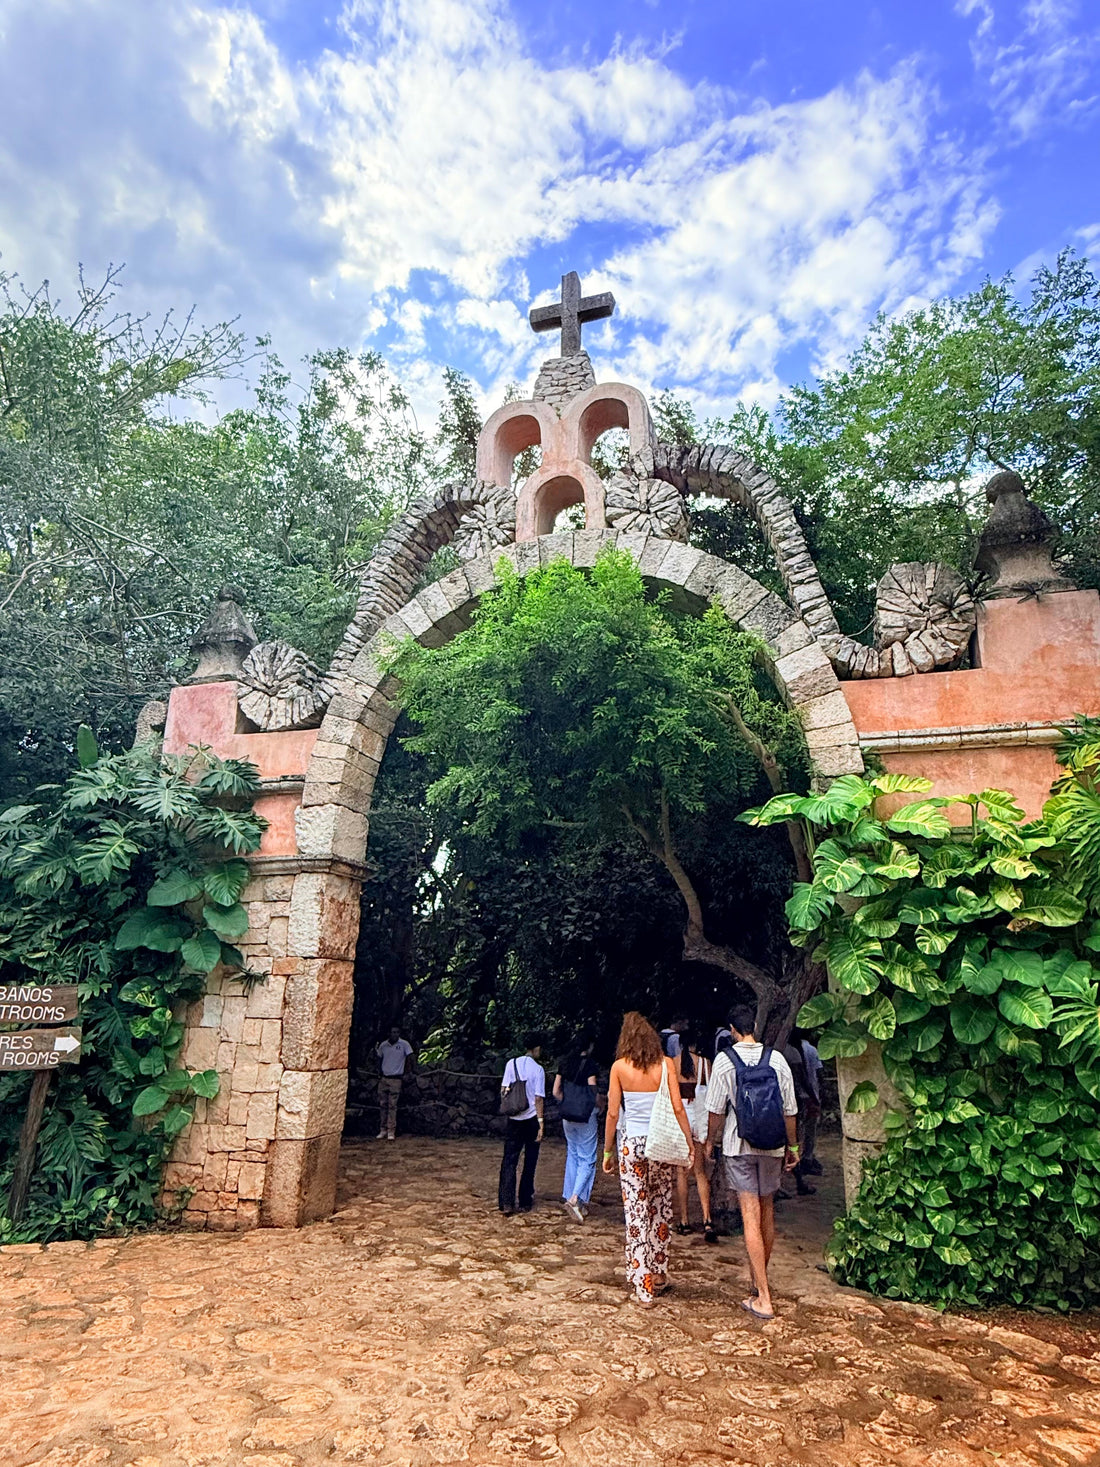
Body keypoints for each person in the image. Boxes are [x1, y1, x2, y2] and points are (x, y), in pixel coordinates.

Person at [705, 1005, 798, 1320]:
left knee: (750, 1216)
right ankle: (759, 1282)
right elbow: (790, 1109)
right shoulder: (776, 1059)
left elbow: (716, 1110)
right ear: (755, 1026)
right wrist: (793, 1146)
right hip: (772, 1145)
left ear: (732, 1030)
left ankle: (764, 1297)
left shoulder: (724, 1061)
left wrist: (709, 1141)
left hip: (739, 1143)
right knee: (767, 1211)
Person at [602, 1012, 695, 1307]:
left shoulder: (619, 1068)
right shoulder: (666, 1065)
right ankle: (658, 1273)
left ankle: (642, 1283)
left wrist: (607, 1151)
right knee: (659, 1207)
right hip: (660, 1144)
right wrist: (688, 1145)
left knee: (636, 1212)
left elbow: (614, 1113)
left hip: (631, 1146)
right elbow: (678, 1108)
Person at [675, 1032, 717, 1242]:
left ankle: (684, 1220)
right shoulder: (705, 1064)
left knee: (682, 1173)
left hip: (680, 1122)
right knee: (700, 1172)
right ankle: (707, 1218)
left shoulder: (672, 1064)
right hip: (699, 1122)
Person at [553, 1033, 599, 1223]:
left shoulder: (564, 1063)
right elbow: (592, 1090)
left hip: (567, 1116)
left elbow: (556, 1091)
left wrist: (566, 1103)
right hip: (585, 1116)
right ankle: (576, 1199)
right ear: (588, 1047)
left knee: (572, 1154)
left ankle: (569, 1194)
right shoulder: (590, 1065)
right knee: (588, 1158)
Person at [498, 1033, 546, 1215]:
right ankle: (525, 1200)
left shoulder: (511, 1064)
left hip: (514, 1119)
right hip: (531, 1118)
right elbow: (539, 1098)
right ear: (536, 1049)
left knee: (509, 1160)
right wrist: (541, 1122)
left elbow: (504, 1089)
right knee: (530, 1160)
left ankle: (506, 1201)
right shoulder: (538, 1070)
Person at [375, 1025, 415, 1140]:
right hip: (384, 1078)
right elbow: (379, 1059)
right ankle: (382, 1129)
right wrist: (379, 1072)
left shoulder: (404, 1044)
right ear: (389, 1033)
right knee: (383, 1105)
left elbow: (410, 1057)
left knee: (392, 1105)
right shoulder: (383, 1045)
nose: (395, 1034)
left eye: (397, 1032)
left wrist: (408, 1072)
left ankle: (391, 1131)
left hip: (396, 1078)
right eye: (393, 1032)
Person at [797, 1029, 824, 1176]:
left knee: (797, 1130)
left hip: (798, 1096)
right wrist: (817, 1095)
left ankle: (800, 1158)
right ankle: (807, 1157)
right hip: (810, 1095)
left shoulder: (792, 1049)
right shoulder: (812, 1050)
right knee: (810, 1130)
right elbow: (819, 1073)